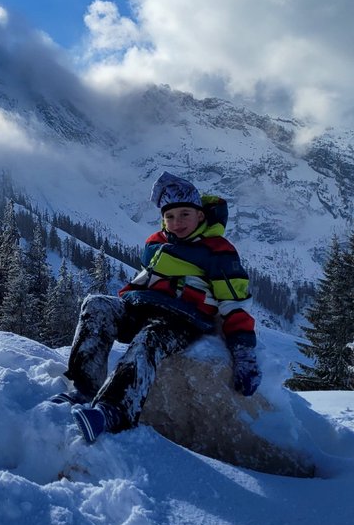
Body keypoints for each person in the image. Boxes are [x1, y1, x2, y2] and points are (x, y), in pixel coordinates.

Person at [57, 171, 260, 443]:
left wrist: (244, 352)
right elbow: (146, 280)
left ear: (200, 215)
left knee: (149, 339)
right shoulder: (157, 242)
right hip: (143, 309)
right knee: (97, 305)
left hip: (183, 320)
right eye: (170, 216)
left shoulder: (218, 251)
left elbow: (234, 302)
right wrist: (128, 298)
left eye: (184, 214)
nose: (176, 223)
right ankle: (83, 389)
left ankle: (114, 411)